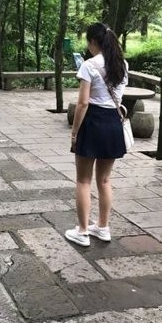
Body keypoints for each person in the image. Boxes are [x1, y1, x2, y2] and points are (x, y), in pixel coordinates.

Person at [65, 22, 128, 247]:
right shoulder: (122, 64)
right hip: (112, 122)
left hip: (92, 122)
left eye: (88, 42)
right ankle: (103, 227)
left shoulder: (89, 65)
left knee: (83, 180)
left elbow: (82, 103)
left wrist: (74, 132)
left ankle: (82, 231)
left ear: (93, 41)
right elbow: (118, 99)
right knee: (105, 179)